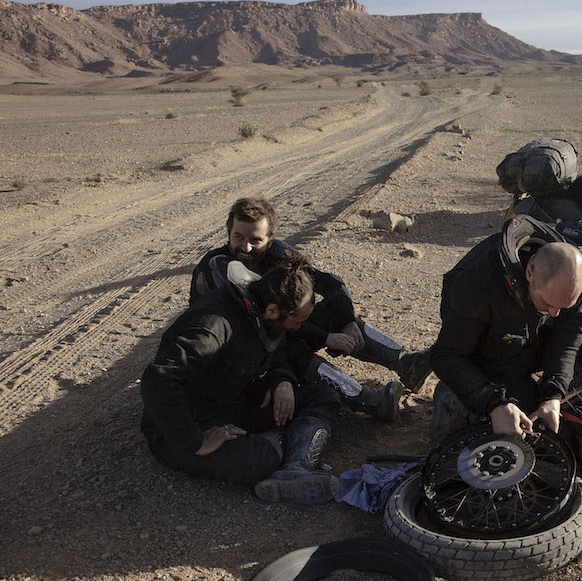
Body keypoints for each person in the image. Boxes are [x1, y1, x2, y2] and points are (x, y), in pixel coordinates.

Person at [191, 198, 431, 422]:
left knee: (330, 313)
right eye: (238, 237)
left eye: (255, 240)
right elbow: (260, 330)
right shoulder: (218, 270)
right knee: (292, 348)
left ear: (270, 237)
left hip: (276, 327)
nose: (246, 247)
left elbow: (329, 282)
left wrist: (347, 321)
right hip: (238, 350)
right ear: (229, 232)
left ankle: (407, 364)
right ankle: (369, 401)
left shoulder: (278, 254)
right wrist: (324, 338)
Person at [141, 252, 342, 505]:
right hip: (188, 425)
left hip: (232, 403)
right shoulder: (212, 327)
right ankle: (279, 451)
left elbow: (274, 349)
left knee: (322, 396)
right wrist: (194, 441)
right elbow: (158, 380)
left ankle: (294, 469)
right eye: (295, 322)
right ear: (272, 310)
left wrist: (281, 381)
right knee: (258, 460)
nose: (297, 328)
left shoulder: (261, 312)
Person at [429, 215, 582, 443]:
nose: (555, 313)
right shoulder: (476, 284)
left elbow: (567, 332)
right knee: (523, 426)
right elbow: (446, 355)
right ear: (530, 273)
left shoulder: (569, 274)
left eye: (562, 306)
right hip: (489, 353)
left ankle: (544, 400)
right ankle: (459, 397)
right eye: (548, 304)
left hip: (531, 340)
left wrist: (554, 393)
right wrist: (495, 403)